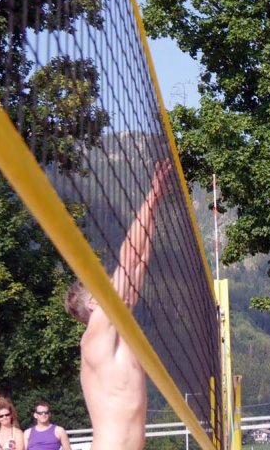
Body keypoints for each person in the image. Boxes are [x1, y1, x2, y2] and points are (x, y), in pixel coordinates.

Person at [64, 159, 172, 450]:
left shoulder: (117, 328)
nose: (111, 286)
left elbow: (139, 262)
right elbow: (128, 260)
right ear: (94, 304)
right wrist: (151, 195)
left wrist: (155, 204)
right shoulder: (95, 335)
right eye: (103, 288)